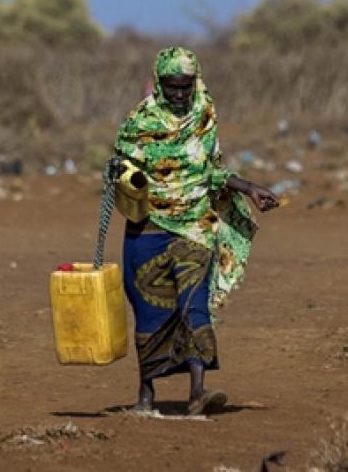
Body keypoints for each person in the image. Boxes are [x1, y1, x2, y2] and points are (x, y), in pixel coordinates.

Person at [114, 46, 279, 416]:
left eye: (185, 86)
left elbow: (212, 171)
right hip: (148, 229)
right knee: (148, 312)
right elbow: (121, 170)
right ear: (158, 82)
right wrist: (128, 176)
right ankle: (146, 397)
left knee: (194, 306)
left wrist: (248, 187)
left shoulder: (204, 115)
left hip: (195, 227)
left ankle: (197, 393)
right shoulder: (139, 121)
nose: (178, 94)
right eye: (171, 86)